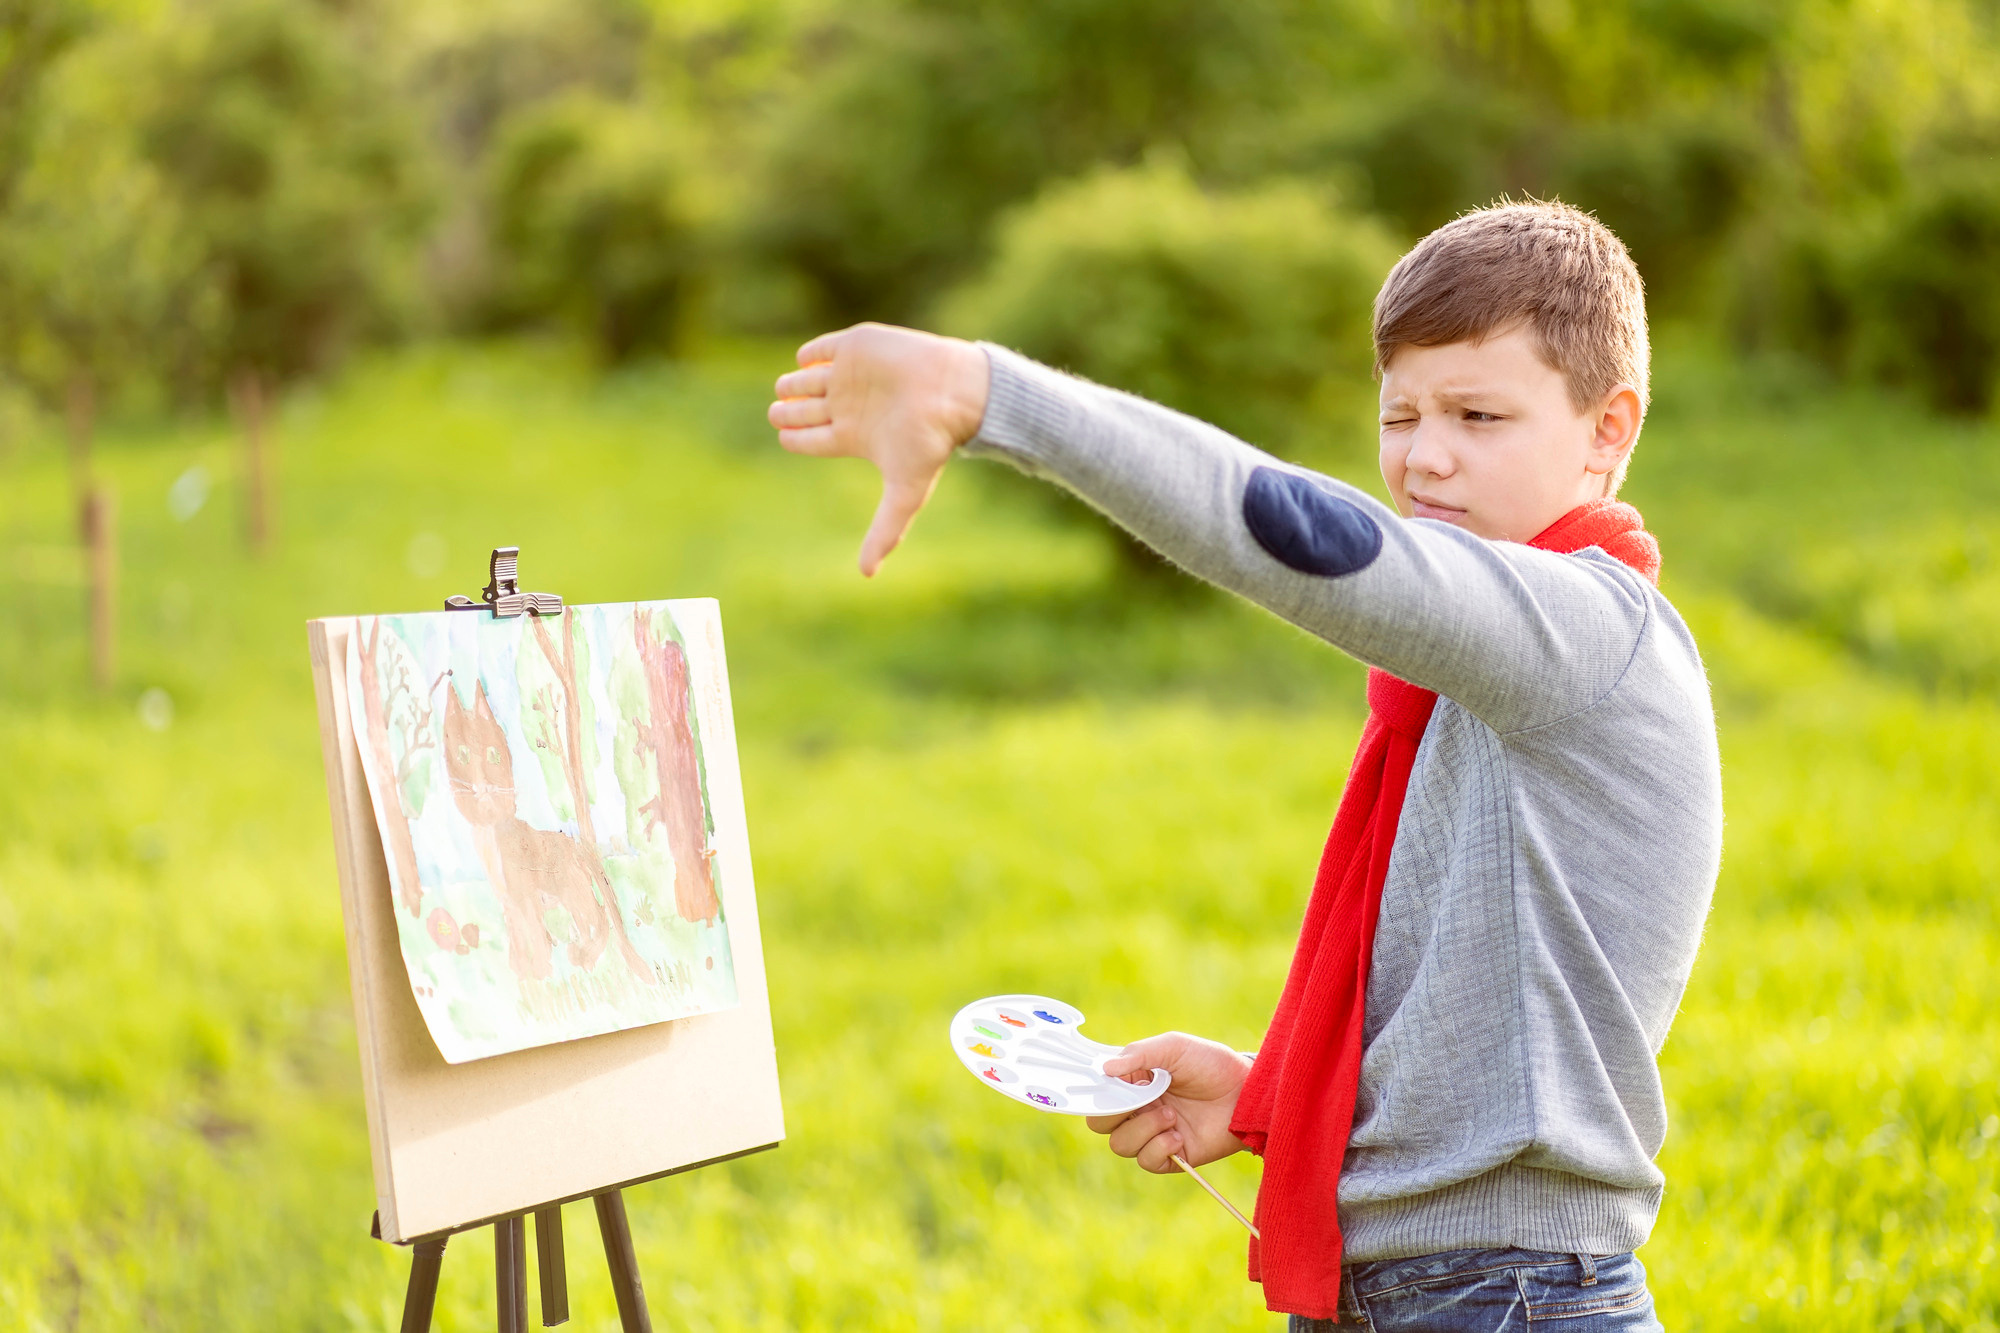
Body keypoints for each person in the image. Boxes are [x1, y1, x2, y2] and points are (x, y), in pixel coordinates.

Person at [767, 200, 1719, 1332]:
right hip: (1424, 1285)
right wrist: (1276, 1090)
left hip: (1501, 1295)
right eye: (1399, 412)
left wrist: (991, 396)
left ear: (1607, 429)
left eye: (1476, 413)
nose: (1423, 456)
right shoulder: (1464, 683)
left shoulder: (1579, 632)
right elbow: (1494, 1003)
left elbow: (1301, 537)